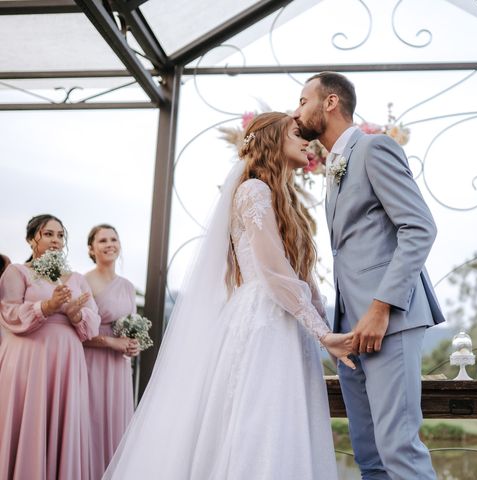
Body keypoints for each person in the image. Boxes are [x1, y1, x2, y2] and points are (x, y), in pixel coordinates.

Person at [104, 112, 354, 479]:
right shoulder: (254, 190)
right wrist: (322, 333)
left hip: (288, 322)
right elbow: (271, 270)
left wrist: (322, 324)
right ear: (272, 140)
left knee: (283, 423)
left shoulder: (284, 199)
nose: (307, 142)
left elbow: (300, 276)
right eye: (296, 134)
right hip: (263, 322)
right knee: (258, 424)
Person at [294, 72, 445, 480]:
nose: (297, 111)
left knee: (399, 450)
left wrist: (381, 307)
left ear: (330, 102)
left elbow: (419, 227)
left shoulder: (375, 147)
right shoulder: (333, 169)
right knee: (369, 457)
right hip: (350, 331)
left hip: (388, 321)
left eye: (303, 100)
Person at [0, 214, 100, 479]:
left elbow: (93, 320)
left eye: (60, 235)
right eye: (48, 234)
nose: (55, 240)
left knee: (62, 427)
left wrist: (76, 314)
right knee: (28, 421)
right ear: (32, 239)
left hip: (66, 363)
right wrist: (47, 306)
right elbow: (9, 313)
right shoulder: (18, 272)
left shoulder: (76, 279)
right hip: (28, 361)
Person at [83, 224, 139, 479]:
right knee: (91, 422)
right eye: (102, 240)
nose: (109, 244)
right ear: (91, 249)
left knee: (118, 425)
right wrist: (111, 342)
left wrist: (132, 344)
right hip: (92, 362)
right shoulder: (83, 281)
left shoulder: (128, 286)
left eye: (113, 239)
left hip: (118, 366)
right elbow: (79, 332)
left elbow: (133, 328)